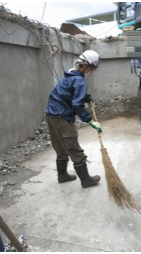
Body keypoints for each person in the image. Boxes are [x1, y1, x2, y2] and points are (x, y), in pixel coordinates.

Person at [45, 50, 102, 188]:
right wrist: (90, 120)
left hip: (51, 114)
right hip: (62, 117)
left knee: (60, 147)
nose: (92, 71)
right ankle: (86, 180)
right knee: (74, 148)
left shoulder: (69, 75)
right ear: (85, 65)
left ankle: (63, 175)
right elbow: (76, 104)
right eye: (92, 68)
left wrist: (84, 97)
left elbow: (67, 93)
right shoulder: (79, 80)